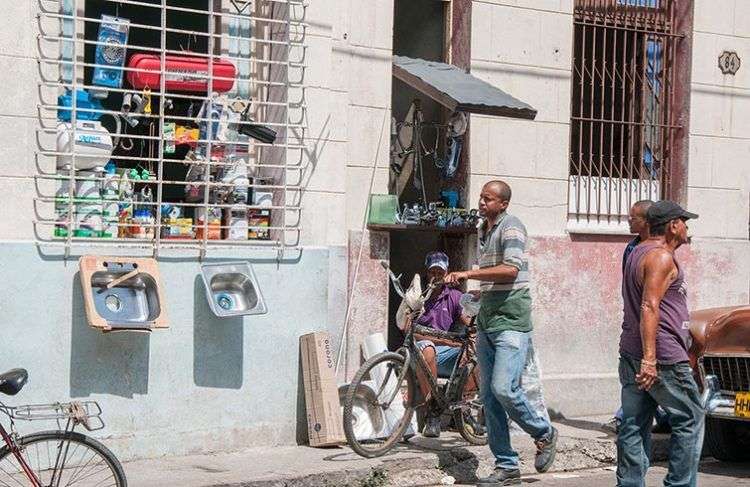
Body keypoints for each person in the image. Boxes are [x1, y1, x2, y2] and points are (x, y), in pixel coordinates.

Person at [445, 180, 557, 486]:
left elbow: (510, 269)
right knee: (489, 398)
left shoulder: (512, 227)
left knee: (504, 389)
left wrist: (469, 273)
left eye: (488, 198)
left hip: (511, 322)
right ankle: (507, 466)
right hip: (488, 321)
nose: (481, 202)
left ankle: (544, 432)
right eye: (481, 197)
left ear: (503, 204)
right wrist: (480, 295)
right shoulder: (485, 230)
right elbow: (499, 279)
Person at [616, 200, 704, 487]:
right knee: (690, 417)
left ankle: (629, 483)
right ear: (672, 225)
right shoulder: (660, 257)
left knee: (633, 424)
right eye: (684, 221)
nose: (687, 228)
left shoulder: (637, 252)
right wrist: (650, 359)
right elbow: (650, 306)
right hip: (661, 358)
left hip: (633, 351)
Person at [606, 201, 671, 435]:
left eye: (633, 218)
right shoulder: (632, 248)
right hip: (634, 324)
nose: (628, 221)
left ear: (646, 222)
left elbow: (654, 299)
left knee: (651, 379)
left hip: (654, 326)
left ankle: (658, 416)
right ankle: (653, 415)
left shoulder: (660, 252)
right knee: (639, 382)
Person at [414, 251, 476, 438]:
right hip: (422, 351)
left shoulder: (454, 296)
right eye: (433, 272)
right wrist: (445, 340)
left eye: (440, 272)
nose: (436, 276)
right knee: (429, 349)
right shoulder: (418, 296)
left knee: (473, 353)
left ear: (446, 272)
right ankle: (431, 414)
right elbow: (409, 330)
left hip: (446, 352)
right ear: (427, 273)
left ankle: (463, 412)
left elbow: (466, 318)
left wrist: (474, 327)